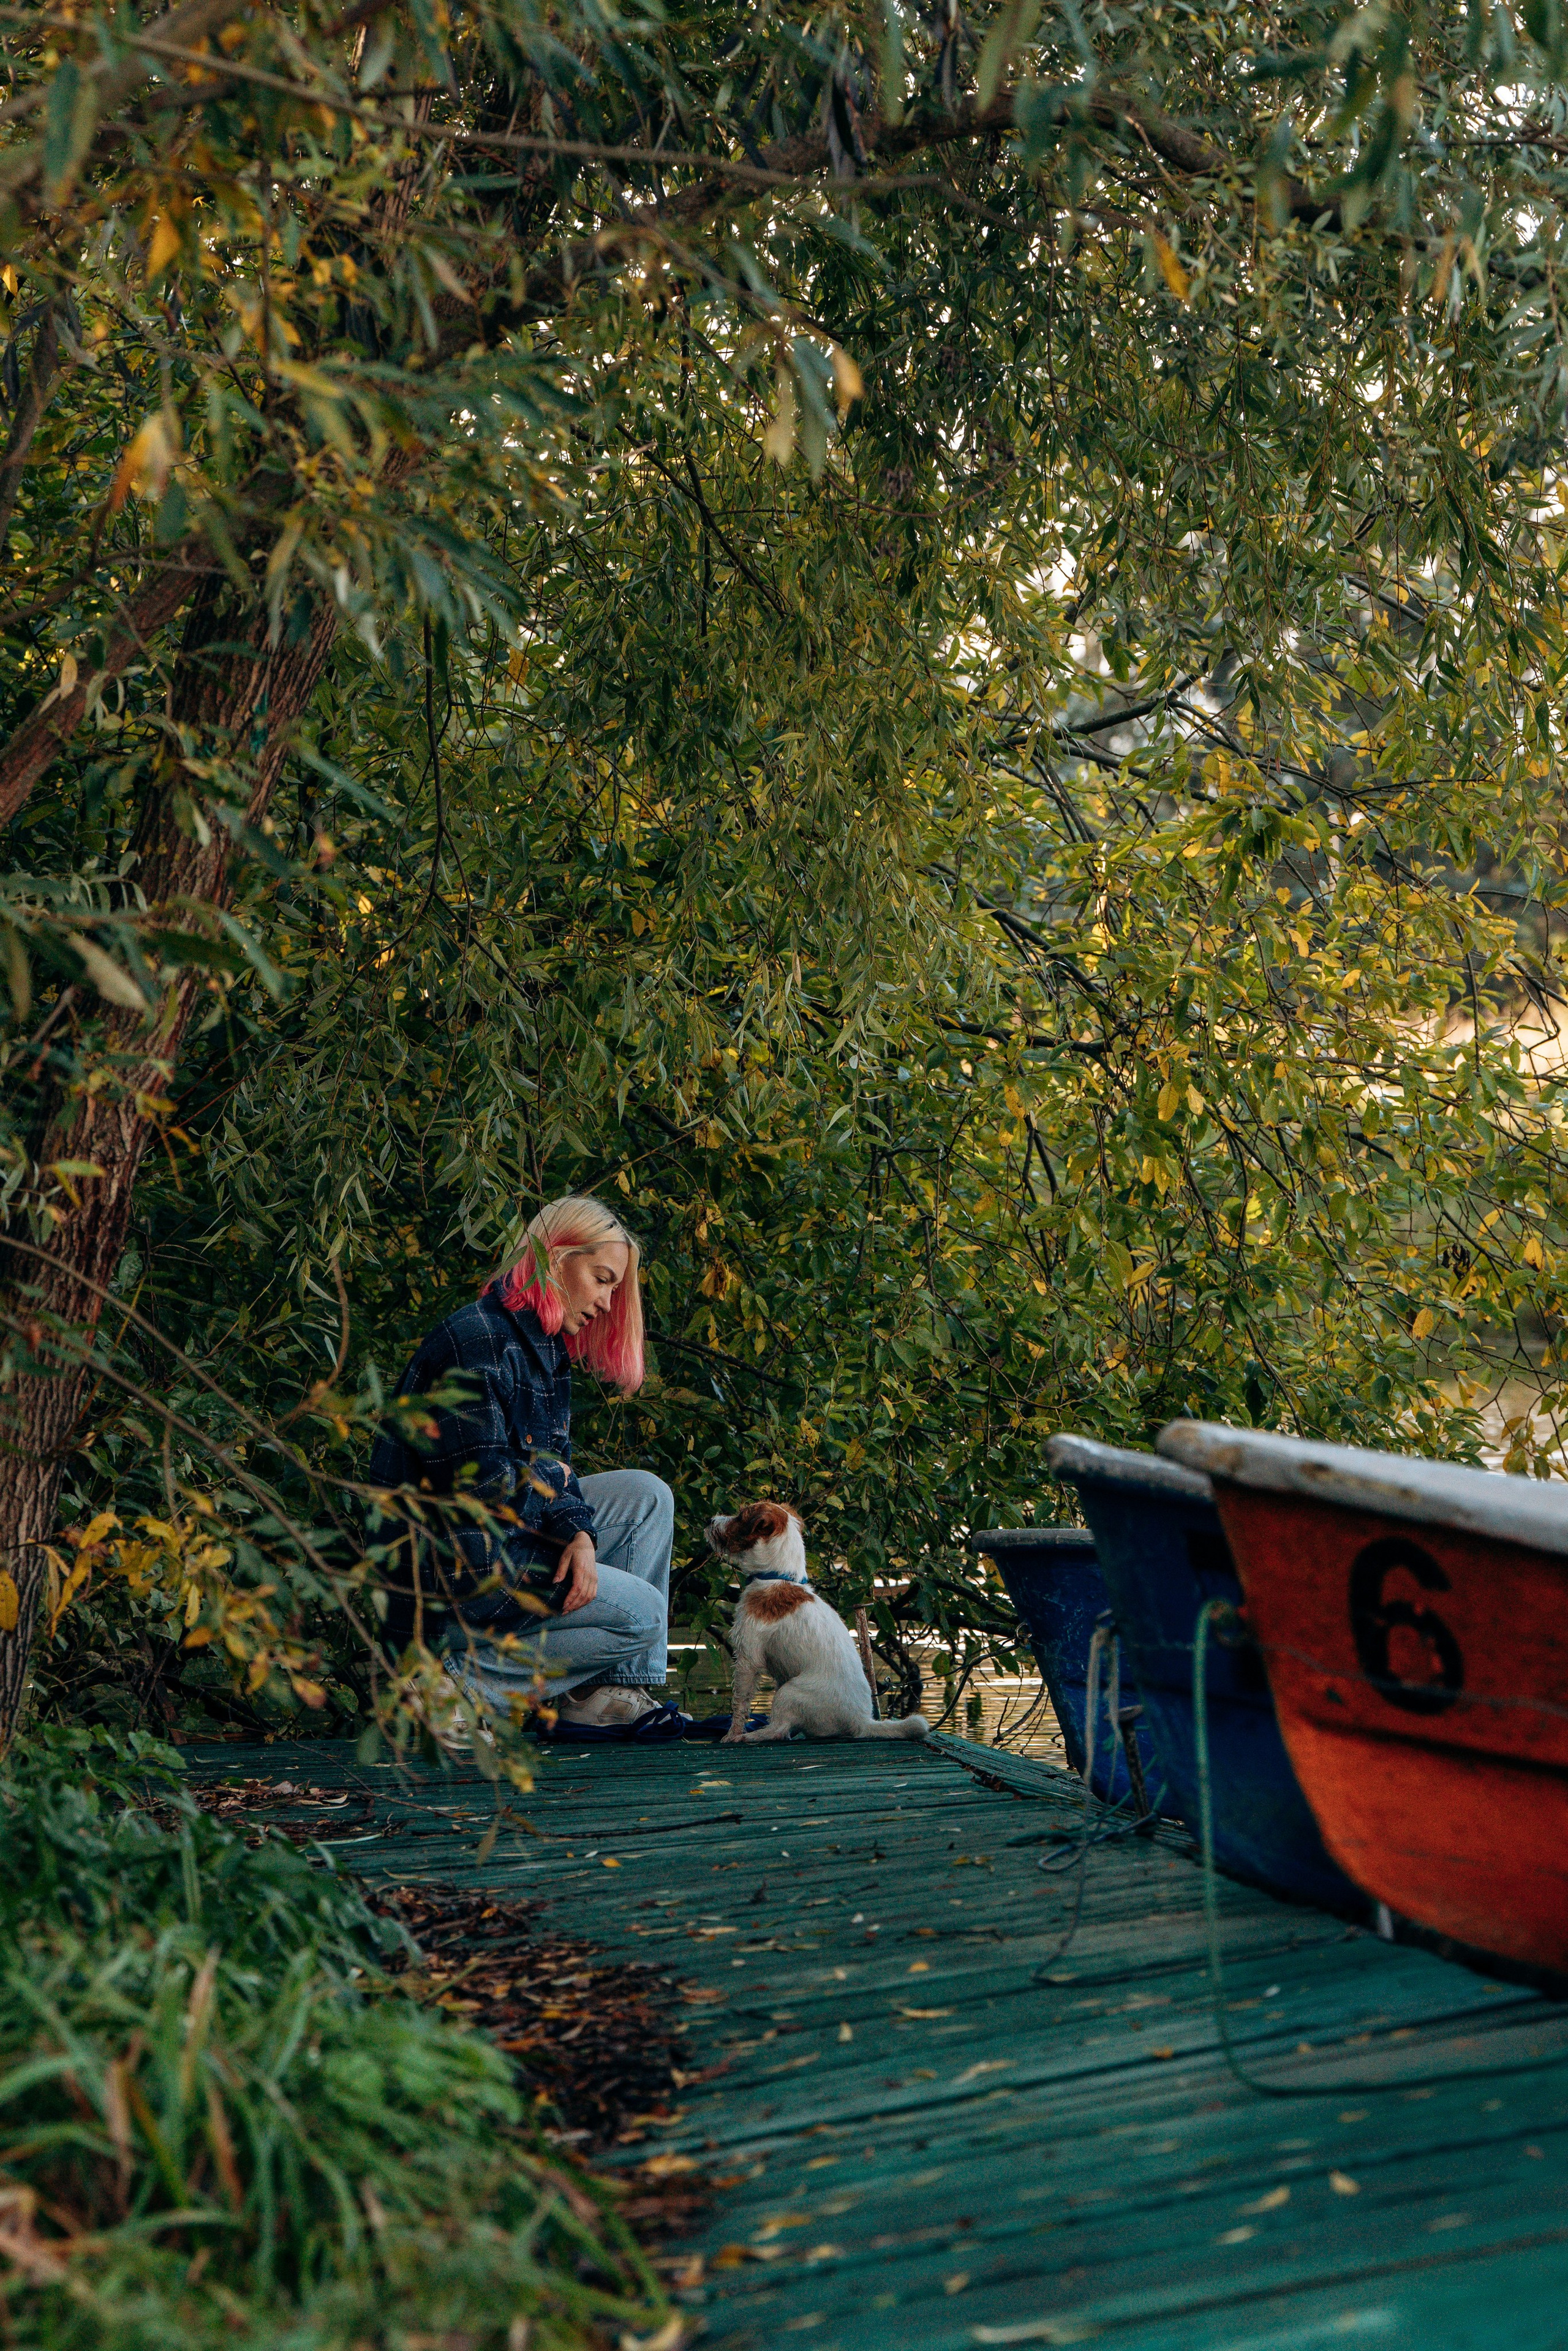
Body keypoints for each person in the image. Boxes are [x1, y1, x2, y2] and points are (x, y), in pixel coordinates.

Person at [368, 1193, 683, 1741]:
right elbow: (489, 1485)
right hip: (456, 1574)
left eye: (615, 1287)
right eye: (604, 1279)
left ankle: (596, 1692)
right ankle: (448, 1689)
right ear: (558, 1256)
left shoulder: (541, 1345)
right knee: (644, 1614)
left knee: (645, 1496)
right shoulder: (479, 1340)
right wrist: (574, 1528)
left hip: (495, 1542)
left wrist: (576, 1529)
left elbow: (546, 1470)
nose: (609, 1303)